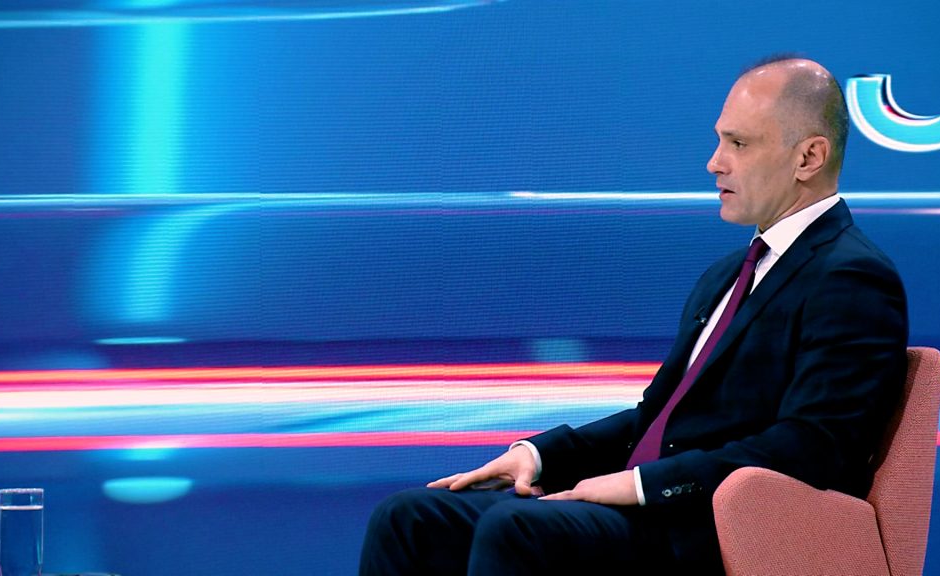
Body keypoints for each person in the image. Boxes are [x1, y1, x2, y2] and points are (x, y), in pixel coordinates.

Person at [358, 55, 908, 575]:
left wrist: (643, 486)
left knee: (517, 529)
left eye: (738, 143)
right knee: (412, 520)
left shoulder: (851, 277)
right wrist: (541, 455)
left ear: (808, 157)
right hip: (652, 513)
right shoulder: (727, 274)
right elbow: (658, 419)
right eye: (720, 139)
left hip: (710, 530)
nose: (714, 162)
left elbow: (813, 446)